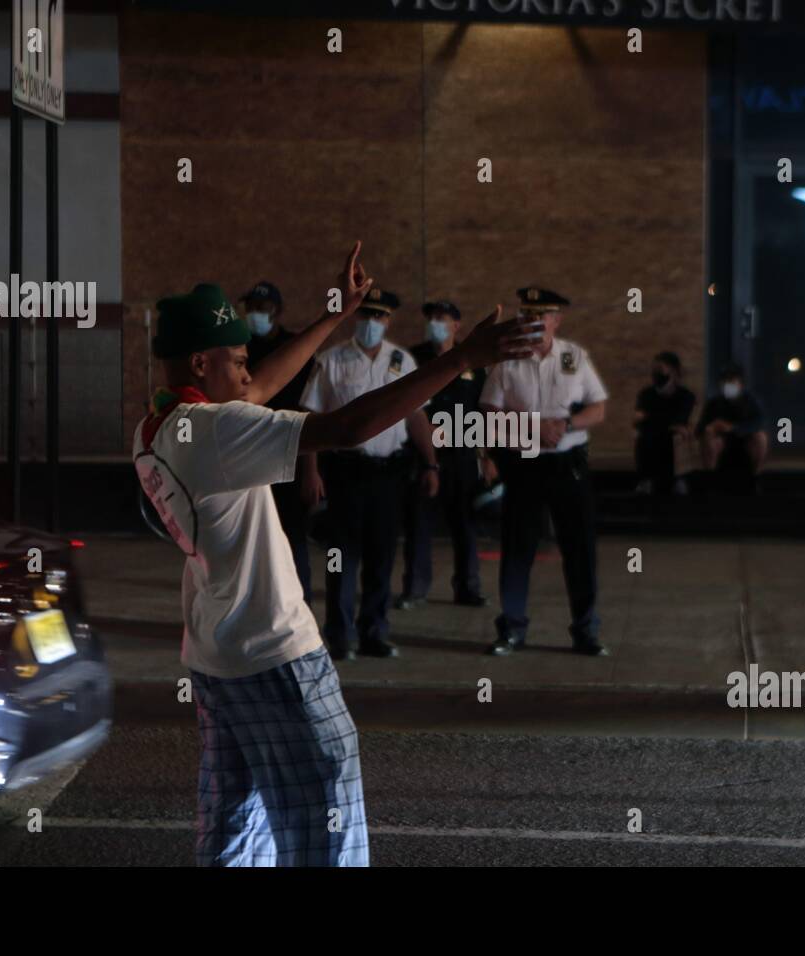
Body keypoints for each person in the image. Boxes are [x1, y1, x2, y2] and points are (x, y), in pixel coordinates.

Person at [133, 242, 536, 866]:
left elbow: (264, 385)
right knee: (328, 807)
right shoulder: (218, 431)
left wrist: (337, 315)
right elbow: (347, 427)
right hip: (274, 655)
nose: (250, 372)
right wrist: (461, 358)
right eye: (237, 361)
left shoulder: (160, 426)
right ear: (199, 362)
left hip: (215, 657)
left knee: (238, 821)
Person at [300, 286, 440, 661]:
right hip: (345, 473)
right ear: (355, 317)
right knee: (340, 558)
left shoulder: (402, 360)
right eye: (366, 315)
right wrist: (311, 472)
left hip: (387, 476)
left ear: (388, 320)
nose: (371, 322)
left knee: (381, 558)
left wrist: (430, 463)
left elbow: (416, 416)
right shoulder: (330, 360)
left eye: (379, 316)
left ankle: (374, 632)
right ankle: (340, 636)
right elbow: (311, 420)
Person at [479, 286, 609, 657]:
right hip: (524, 464)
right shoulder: (507, 360)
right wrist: (537, 427)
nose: (533, 322)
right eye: (527, 315)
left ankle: (586, 630)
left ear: (556, 320)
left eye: (541, 316)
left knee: (579, 548)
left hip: (568, 465)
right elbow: (489, 412)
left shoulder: (574, 356)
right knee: (519, 547)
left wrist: (564, 425)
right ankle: (512, 629)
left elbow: (597, 409)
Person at [396, 300, 491, 610]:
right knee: (418, 524)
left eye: (442, 318)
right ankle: (415, 588)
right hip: (424, 455)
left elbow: (482, 411)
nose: (435, 323)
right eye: (431, 318)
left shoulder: (472, 364)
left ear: (456, 325)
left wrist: (486, 456)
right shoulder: (414, 358)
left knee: (464, 524)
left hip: (462, 454)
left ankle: (468, 588)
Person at [242, 280, 320, 603]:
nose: (256, 315)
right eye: (251, 309)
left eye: (262, 309)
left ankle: (298, 599)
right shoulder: (240, 348)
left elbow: (309, 411)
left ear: (277, 311)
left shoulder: (294, 349)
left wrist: (311, 469)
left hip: (287, 453)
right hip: (247, 455)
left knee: (292, 535)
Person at [633, 351, 695, 497]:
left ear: (673, 372)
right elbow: (639, 421)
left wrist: (652, 418)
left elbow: (680, 420)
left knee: (680, 436)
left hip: (672, 436)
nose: (656, 374)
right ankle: (645, 480)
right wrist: (666, 422)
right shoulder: (646, 394)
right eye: (654, 370)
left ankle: (680, 479)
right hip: (652, 434)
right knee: (643, 435)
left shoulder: (686, 396)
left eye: (660, 369)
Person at [697, 361, 768, 480]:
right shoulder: (714, 403)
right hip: (722, 443)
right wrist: (710, 428)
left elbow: (759, 422)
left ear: (741, 385)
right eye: (725, 382)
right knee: (709, 436)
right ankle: (709, 478)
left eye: (732, 382)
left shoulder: (750, 401)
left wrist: (734, 427)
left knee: (761, 437)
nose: (728, 385)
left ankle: (756, 476)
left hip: (745, 440)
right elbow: (699, 429)